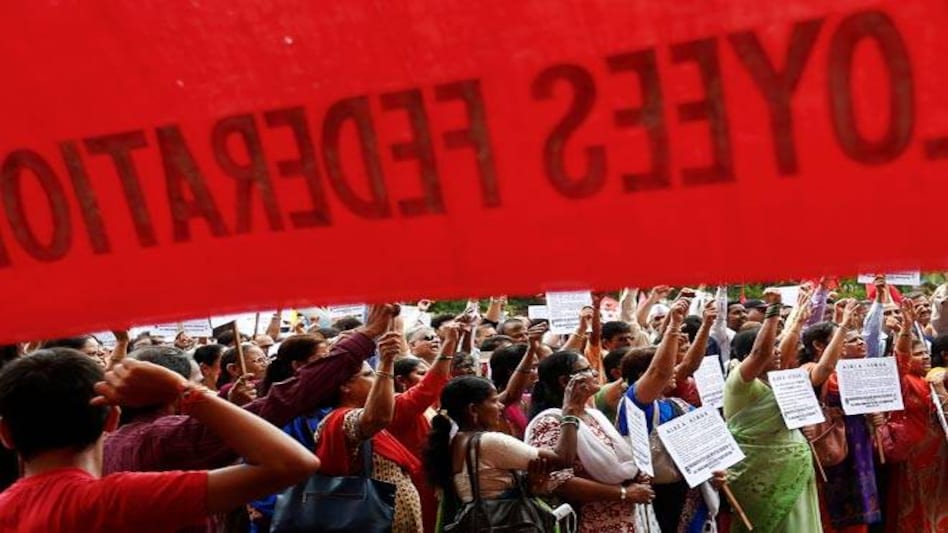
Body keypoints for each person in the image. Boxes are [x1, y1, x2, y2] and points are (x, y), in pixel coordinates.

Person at [0, 348, 318, 532]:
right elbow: (293, 463)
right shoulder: (118, 499)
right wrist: (185, 391)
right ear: (112, 419)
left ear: (5, 434)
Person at [423, 374, 593, 530]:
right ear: (473, 410)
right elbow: (563, 459)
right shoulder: (489, 442)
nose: (500, 406)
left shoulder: (456, 440)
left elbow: (489, 484)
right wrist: (569, 413)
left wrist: (527, 484)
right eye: (494, 401)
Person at [617, 299, 721, 533]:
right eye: (669, 365)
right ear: (643, 375)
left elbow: (707, 449)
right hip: (655, 498)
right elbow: (659, 371)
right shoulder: (634, 404)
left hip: (689, 493)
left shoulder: (678, 404)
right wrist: (673, 326)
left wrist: (717, 472)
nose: (674, 369)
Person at [525, 351, 657, 532]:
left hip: (623, 517)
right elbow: (557, 481)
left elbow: (619, 458)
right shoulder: (550, 422)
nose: (595, 373)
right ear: (565, 381)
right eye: (587, 369)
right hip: (587, 522)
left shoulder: (592, 415)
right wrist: (623, 493)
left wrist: (637, 475)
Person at [723, 293, 822, 532]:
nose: (776, 352)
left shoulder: (777, 381)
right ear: (747, 356)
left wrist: (798, 320)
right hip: (761, 479)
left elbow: (785, 346)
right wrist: (774, 309)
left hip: (795, 474)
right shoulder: (739, 383)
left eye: (776, 347)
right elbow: (761, 354)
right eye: (771, 348)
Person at [314, 331, 425, 532]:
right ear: (345, 386)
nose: (375, 379)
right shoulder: (341, 419)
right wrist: (386, 363)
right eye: (368, 375)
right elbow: (378, 417)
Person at [797, 302, 883, 532]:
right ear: (818, 345)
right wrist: (843, 323)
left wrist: (875, 417)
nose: (847, 343)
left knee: (860, 505)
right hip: (831, 442)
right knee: (833, 507)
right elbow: (824, 371)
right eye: (842, 338)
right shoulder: (808, 369)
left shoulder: (853, 369)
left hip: (858, 441)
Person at [877, 299, 948, 532]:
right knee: (912, 504)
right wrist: (907, 328)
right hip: (912, 454)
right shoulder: (903, 381)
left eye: (926, 353)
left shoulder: (933, 379)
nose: (926, 357)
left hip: (938, 452)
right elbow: (901, 358)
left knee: (938, 502)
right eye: (919, 354)